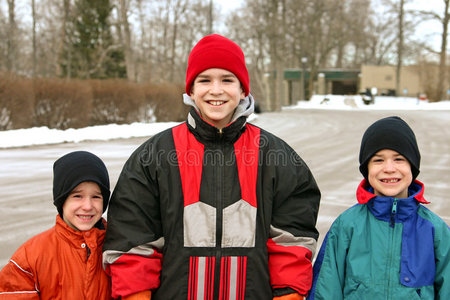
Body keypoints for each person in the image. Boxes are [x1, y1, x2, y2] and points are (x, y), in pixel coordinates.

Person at [102, 34, 321, 300]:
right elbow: (132, 239)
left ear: (243, 90)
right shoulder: (154, 156)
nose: (216, 90)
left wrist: (288, 295)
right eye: (205, 80)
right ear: (191, 90)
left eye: (227, 80)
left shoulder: (276, 156)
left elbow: (293, 241)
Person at [307, 116, 450, 299]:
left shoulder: (436, 231)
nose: (389, 168)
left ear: (412, 167)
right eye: (378, 160)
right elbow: (325, 290)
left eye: (399, 159)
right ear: (367, 169)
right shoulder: (346, 226)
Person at [0, 151, 112, 299]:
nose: (87, 206)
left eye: (96, 196)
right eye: (77, 196)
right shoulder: (30, 257)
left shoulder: (119, 247)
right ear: (62, 200)